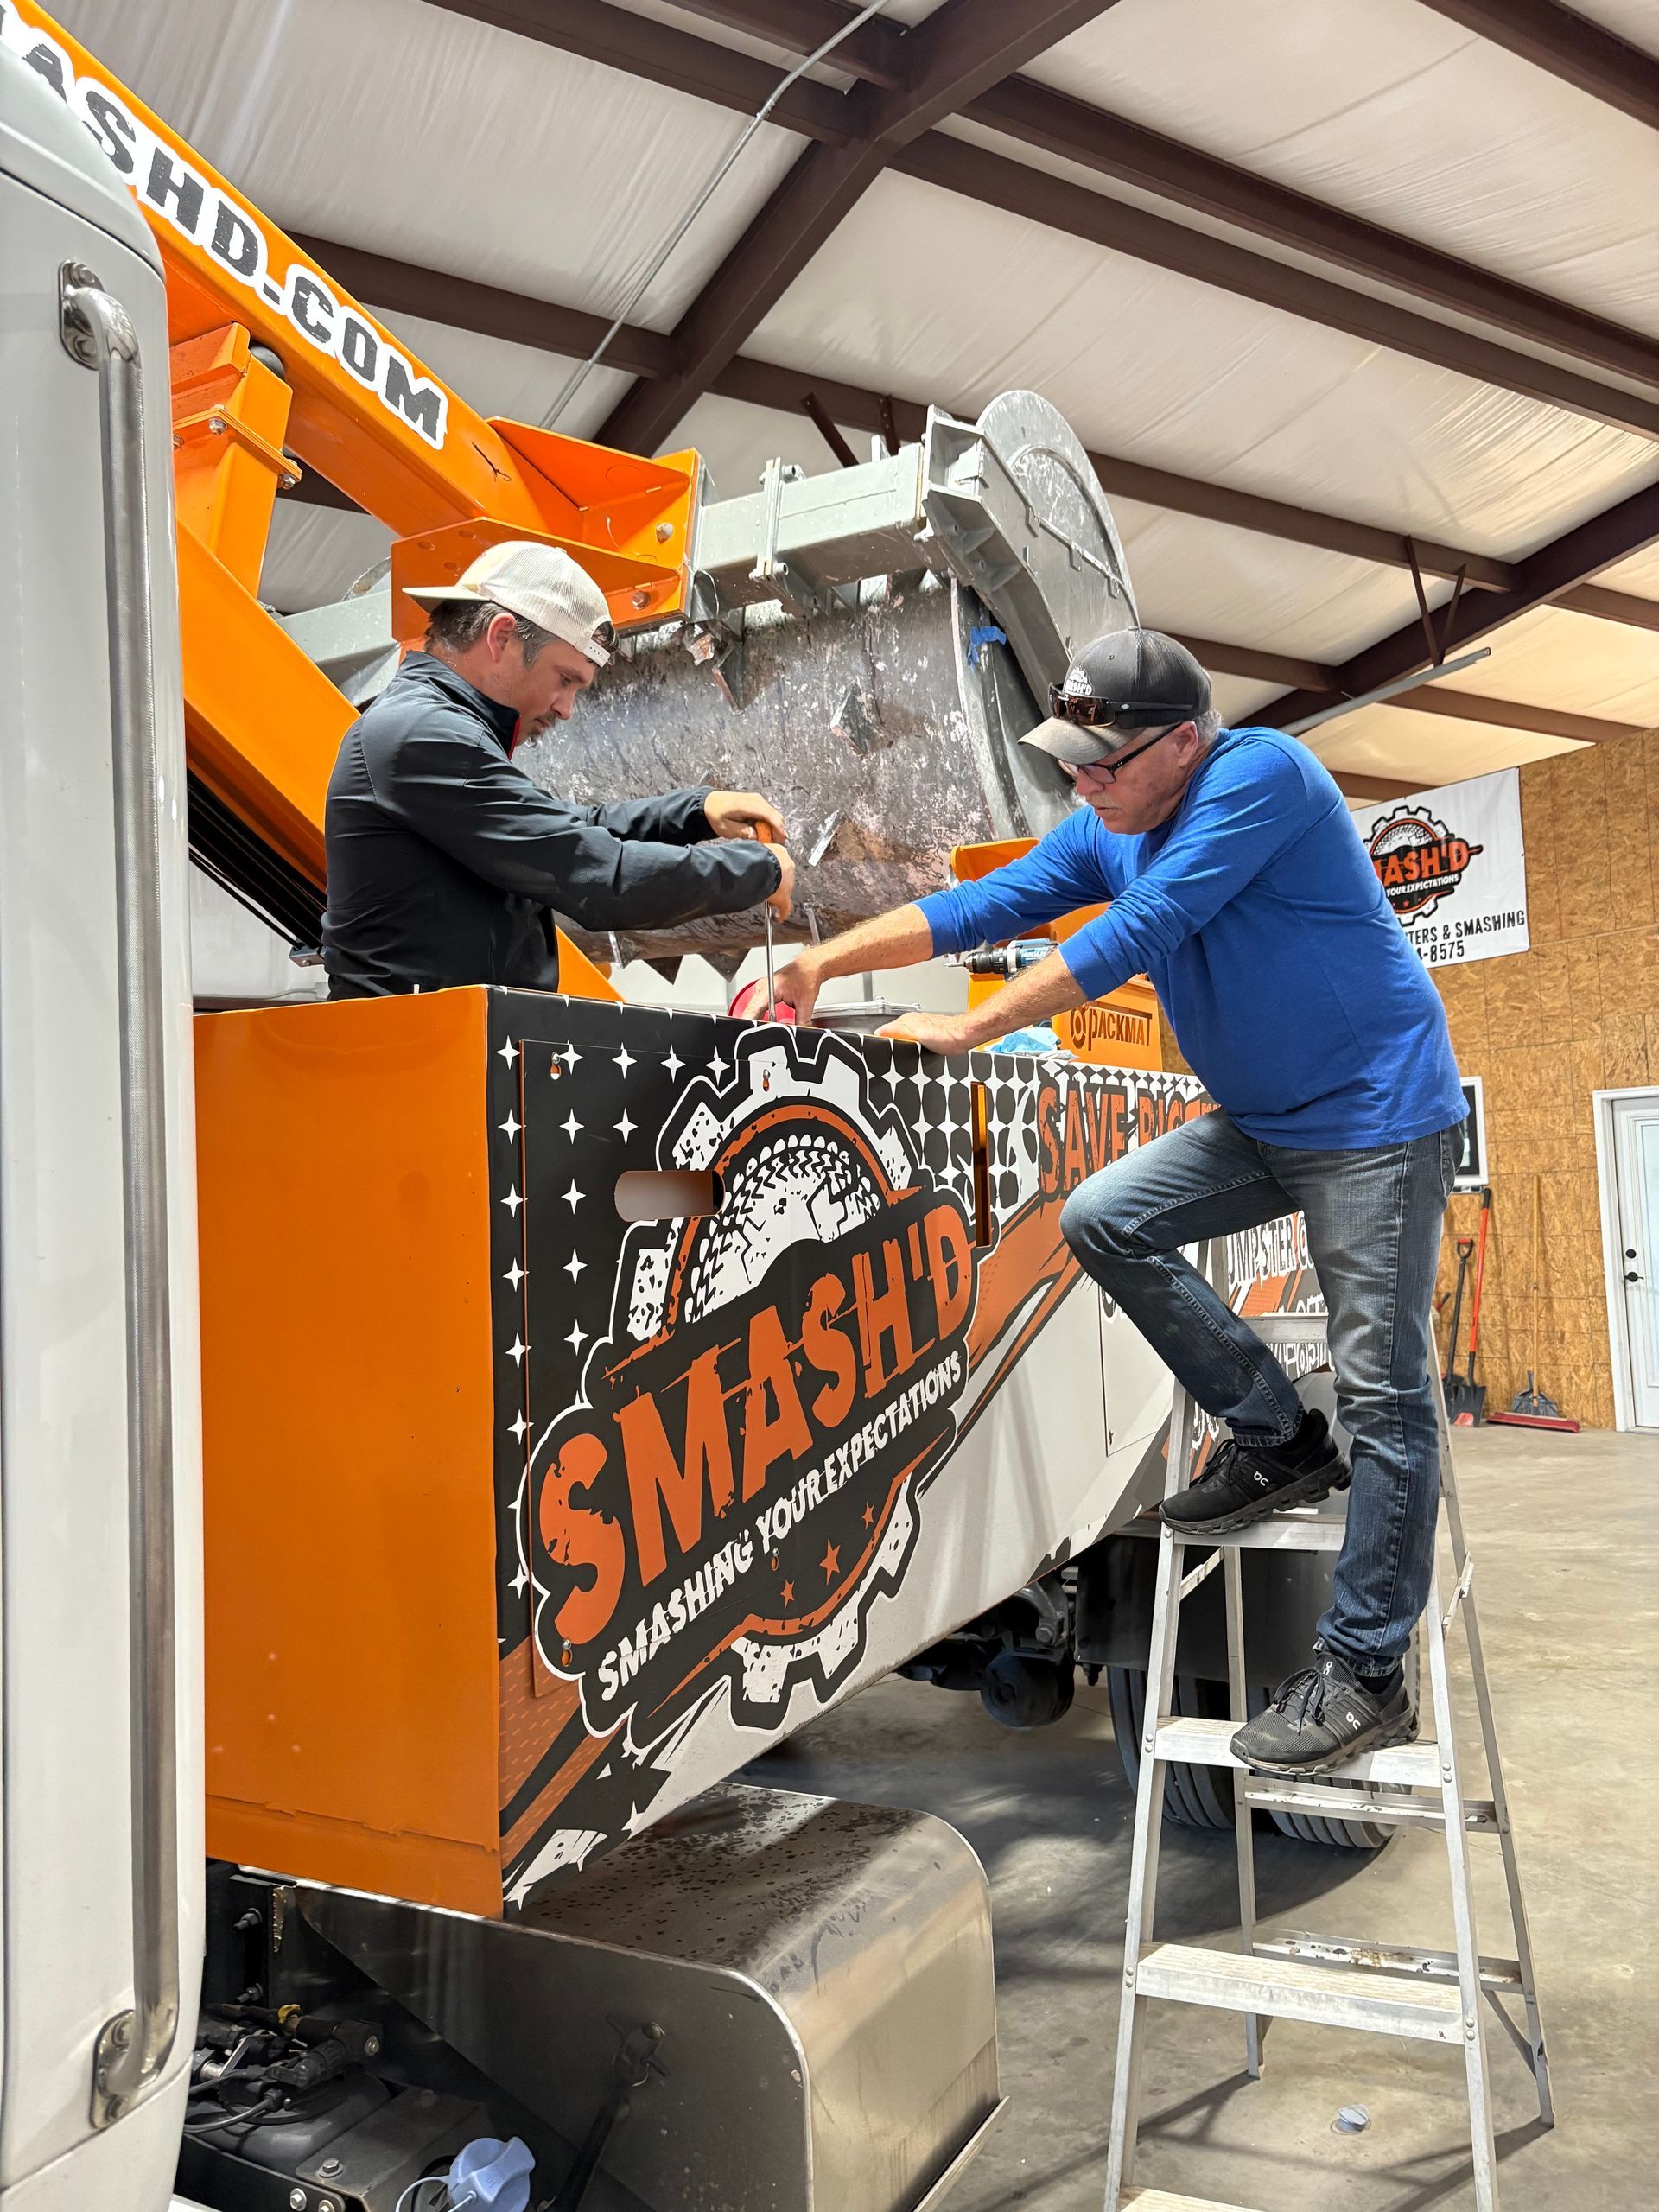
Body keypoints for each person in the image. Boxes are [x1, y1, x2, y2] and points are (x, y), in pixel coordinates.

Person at [774, 628, 1465, 1777]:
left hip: (1375, 1116)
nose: (1081, 788)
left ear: (1184, 741)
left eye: (1103, 765)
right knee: (1106, 1217)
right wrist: (824, 963)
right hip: (1266, 1118)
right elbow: (990, 901)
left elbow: (1137, 932)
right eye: (1071, 766)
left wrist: (968, 1024)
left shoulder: (1261, 779)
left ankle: (1365, 1670)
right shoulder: (1119, 819)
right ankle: (1273, 1436)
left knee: (1389, 1394)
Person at [322, 542, 792, 997]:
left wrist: (694, 811)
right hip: (412, 1058)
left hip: (439, 1047)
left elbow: (569, 830)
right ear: (501, 636)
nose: (566, 709)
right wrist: (757, 869)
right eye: (565, 679)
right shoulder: (422, 734)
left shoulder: (435, 730)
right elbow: (593, 872)